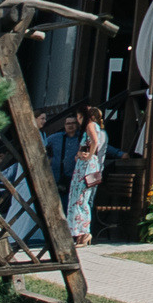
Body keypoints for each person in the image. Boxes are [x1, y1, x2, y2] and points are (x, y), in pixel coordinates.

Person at [67, 105, 107, 245]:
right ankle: (80, 232)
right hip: (86, 165)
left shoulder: (90, 125)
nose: (78, 120)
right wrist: (80, 154)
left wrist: (90, 155)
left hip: (87, 166)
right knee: (80, 198)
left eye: (79, 117)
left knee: (80, 198)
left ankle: (84, 232)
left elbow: (95, 141)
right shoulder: (91, 127)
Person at [44, 111, 80, 197]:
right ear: (64, 125)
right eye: (68, 123)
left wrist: (118, 153)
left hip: (74, 178)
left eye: (73, 123)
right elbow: (40, 146)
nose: (70, 126)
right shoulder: (55, 138)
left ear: (77, 125)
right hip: (56, 178)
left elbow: (99, 145)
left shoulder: (82, 138)